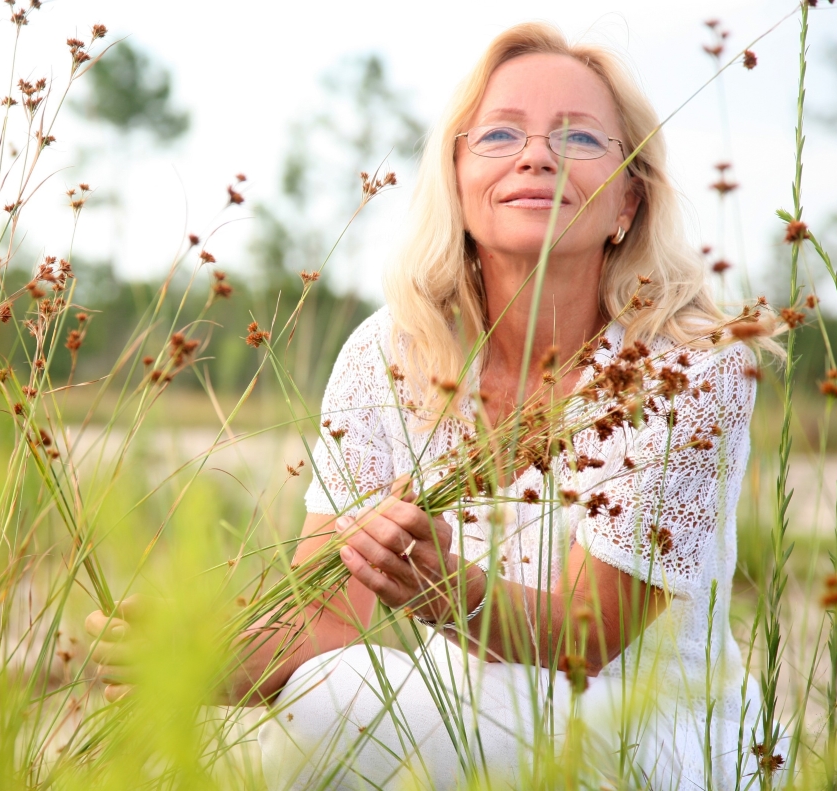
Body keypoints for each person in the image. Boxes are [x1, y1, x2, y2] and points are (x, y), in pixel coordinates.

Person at [87, 22, 778, 790]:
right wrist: (196, 662)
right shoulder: (391, 353)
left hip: (652, 730)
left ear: (628, 197)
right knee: (319, 692)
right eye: (500, 133)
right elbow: (329, 614)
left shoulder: (689, 368)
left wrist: (448, 587)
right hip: (463, 714)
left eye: (580, 137)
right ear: (454, 178)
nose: (537, 154)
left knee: (332, 708)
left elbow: (590, 634)